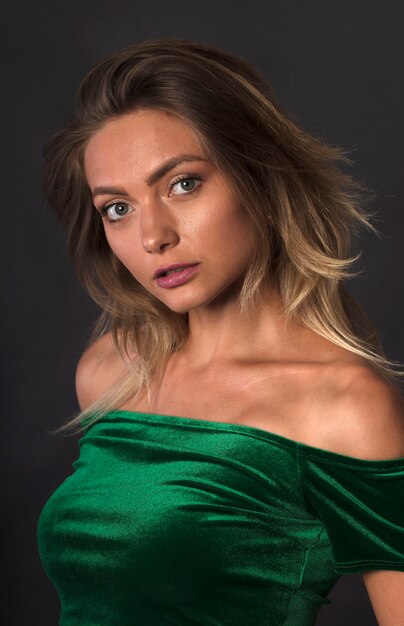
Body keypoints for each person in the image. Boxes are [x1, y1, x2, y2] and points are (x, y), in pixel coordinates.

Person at [37, 37, 404, 625]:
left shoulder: (344, 405)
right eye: (117, 208)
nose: (153, 235)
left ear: (259, 175)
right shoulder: (112, 370)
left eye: (183, 183)